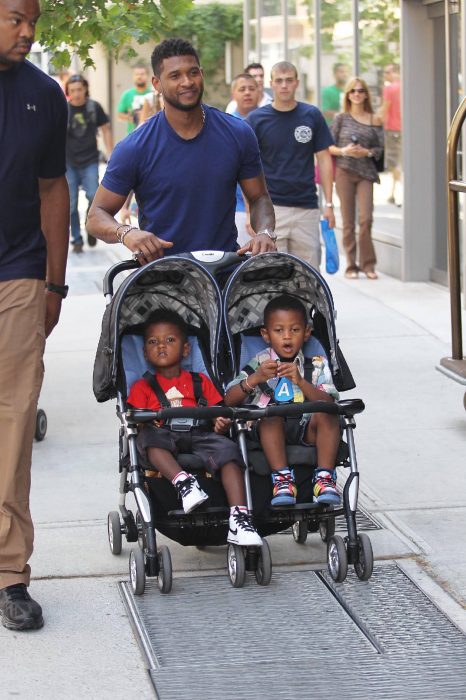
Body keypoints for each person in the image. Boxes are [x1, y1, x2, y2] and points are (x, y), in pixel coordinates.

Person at [0, 0, 69, 631]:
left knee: (15, 422)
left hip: (17, 273)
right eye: (16, 17)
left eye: (35, 22)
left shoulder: (44, 95)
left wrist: (55, 283)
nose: (28, 31)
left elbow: (54, 189)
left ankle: (9, 573)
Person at [86, 38, 276, 263]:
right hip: (163, 280)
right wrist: (126, 233)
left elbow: (259, 197)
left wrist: (265, 232)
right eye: (175, 76)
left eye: (193, 72)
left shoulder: (238, 133)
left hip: (223, 272)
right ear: (157, 84)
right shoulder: (134, 147)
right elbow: (95, 216)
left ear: (201, 74)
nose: (187, 82)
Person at [127, 310, 262, 546]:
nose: (161, 346)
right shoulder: (143, 387)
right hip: (163, 436)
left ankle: (239, 517)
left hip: (201, 434)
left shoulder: (200, 381)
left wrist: (220, 423)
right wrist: (143, 423)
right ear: (145, 352)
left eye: (170, 340)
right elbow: (135, 418)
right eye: (153, 342)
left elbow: (218, 412)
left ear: (186, 349)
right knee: (147, 437)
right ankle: (184, 483)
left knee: (229, 450)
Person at [224, 295, 341, 507]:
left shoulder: (316, 364)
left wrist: (301, 381)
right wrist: (256, 378)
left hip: (306, 427)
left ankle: (324, 478)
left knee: (328, 414)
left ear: (306, 333)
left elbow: (329, 402)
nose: (287, 337)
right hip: (269, 428)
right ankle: (282, 479)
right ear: (266, 335)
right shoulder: (259, 362)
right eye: (279, 331)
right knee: (271, 414)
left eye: (294, 330)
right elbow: (229, 398)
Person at [246, 61, 335, 270]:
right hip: (272, 211)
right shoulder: (256, 120)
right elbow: (246, 168)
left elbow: (324, 159)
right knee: (272, 275)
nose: (284, 85)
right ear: (271, 84)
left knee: (309, 276)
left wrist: (329, 205)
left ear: (296, 83)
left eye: (288, 80)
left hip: (307, 208)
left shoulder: (311, 115)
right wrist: (251, 211)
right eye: (279, 81)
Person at [329, 77, 384, 279]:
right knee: (349, 220)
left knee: (366, 218)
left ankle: (368, 264)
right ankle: (351, 265)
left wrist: (366, 152)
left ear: (366, 94)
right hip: (344, 171)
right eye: (353, 91)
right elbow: (329, 146)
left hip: (366, 173)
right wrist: (345, 150)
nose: (357, 94)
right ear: (348, 95)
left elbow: (380, 149)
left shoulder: (374, 119)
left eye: (361, 91)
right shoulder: (341, 118)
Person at [65, 75, 113, 253]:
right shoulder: (65, 109)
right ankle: (77, 239)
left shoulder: (93, 107)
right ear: (68, 92)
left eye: (79, 89)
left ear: (85, 89)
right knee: (71, 204)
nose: (76, 94)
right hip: (69, 162)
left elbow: (105, 129)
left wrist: (111, 153)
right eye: (72, 90)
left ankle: (90, 225)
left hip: (90, 160)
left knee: (94, 196)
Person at [229, 73, 259, 246]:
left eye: (251, 89)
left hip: (269, 206)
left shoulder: (267, 120)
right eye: (242, 89)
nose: (247, 93)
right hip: (239, 209)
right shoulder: (228, 124)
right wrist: (249, 213)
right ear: (234, 94)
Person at [379, 63, 401, 206]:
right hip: (405, 129)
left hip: (392, 129)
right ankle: (395, 192)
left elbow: (384, 109)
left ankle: (396, 193)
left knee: (394, 163)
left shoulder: (389, 88)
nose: (385, 75)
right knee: (399, 161)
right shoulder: (406, 86)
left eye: (388, 72)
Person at [117, 65, 153, 134]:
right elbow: (119, 115)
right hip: (132, 135)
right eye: (137, 74)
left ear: (148, 76)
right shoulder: (127, 95)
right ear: (133, 77)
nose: (139, 76)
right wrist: (130, 117)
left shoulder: (153, 94)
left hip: (150, 134)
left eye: (142, 74)